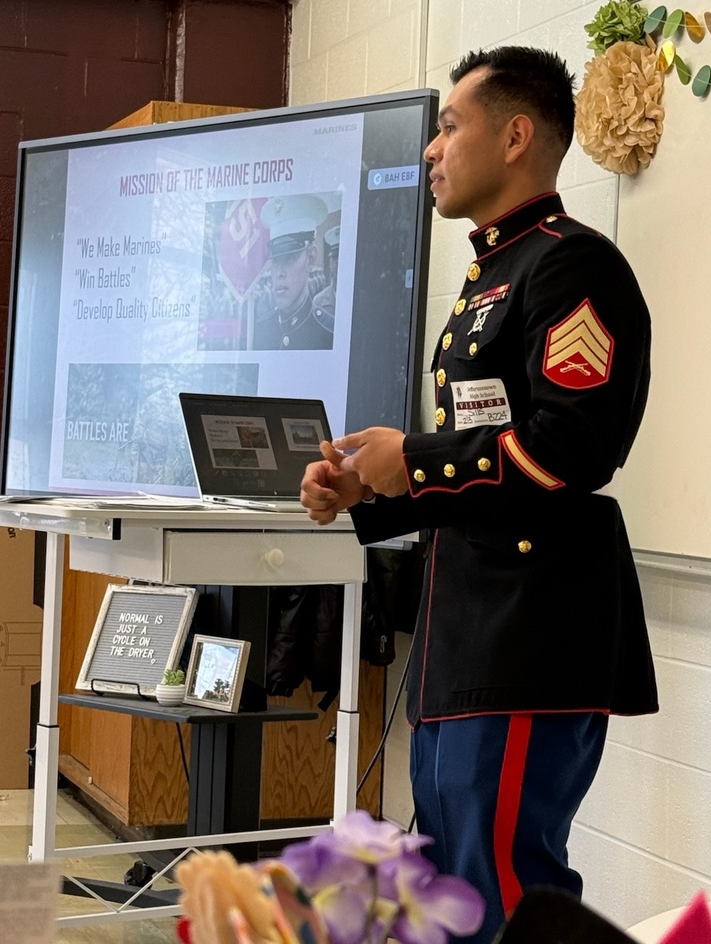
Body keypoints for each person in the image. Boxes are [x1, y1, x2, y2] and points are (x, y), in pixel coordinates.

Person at [300, 46, 658, 943]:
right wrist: (364, 491)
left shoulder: (573, 269)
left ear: (516, 135)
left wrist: (412, 462)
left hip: (532, 632)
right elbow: (483, 462)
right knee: (454, 884)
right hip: (469, 632)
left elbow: (568, 451)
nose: (431, 148)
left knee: (503, 883)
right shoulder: (489, 278)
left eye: (450, 125)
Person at [252, 194, 334, 350]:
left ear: (310, 258)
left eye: (289, 258)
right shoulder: (259, 331)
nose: (279, 273)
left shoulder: (329, 333)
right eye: (276, 260)